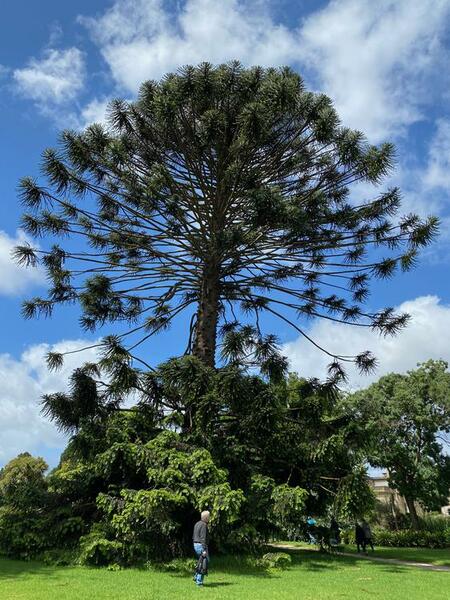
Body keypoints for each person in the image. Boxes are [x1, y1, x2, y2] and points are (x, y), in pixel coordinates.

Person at [192, 510, 210, 586]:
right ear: (206, 517)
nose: (209, 518)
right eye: (209, 516)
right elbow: (203, 538)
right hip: (200, 545)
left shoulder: (197, 524)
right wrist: (204, 550)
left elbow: (194, 536)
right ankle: (199, 582)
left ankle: (196, 576)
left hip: (195, 544)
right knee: (204, 563)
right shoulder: (203, 525)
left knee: (201, 561)